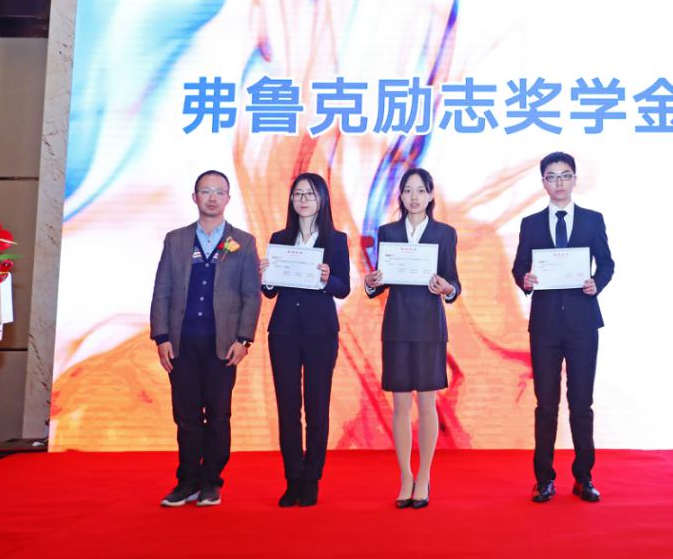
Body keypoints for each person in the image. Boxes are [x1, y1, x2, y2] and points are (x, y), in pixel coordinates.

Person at [150, 170, 261, 507]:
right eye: (206, 191)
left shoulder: (243, 242)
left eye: (219, 192)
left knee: (218, 415)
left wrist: (244, 339)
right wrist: (161, 336)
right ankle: (187, 481)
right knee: (185, 416)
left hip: (222, 346)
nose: (212, 197)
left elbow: (251, 295)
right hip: (182, 343)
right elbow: (162, 290)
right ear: (194, 197)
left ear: (228, 199)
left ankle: (211, 481)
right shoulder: (176, 240)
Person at [511, 152, 615, 503]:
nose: (559, 182)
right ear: (543, 182)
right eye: (552, 176)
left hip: (583, 323)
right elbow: (519, 268)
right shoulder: (531, 224)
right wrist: (525, 280)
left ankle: (584, 477)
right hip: (544, 326)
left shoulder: (592, 220)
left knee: (582, 403)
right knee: (546, 404)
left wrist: (597, 282)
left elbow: (607, 263)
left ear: (574, 179)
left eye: (565, 175)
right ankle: (544, 479)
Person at [365, 168, 460, 510]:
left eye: (421, 190)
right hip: (397, 325)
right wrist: (372, 282)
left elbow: (454, 281)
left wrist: (447, 288)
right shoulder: (388, 232)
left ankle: (424, 476)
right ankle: (405, 475)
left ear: (431, 195)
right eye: (408, 190)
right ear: (401, 196)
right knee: (401, 404)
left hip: (430, 327)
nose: (414, 197)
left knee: (427, 402)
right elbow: (381, 280)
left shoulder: (444, 233)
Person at [260, 173, 350, 507]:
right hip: (283, 332)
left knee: (317, 406)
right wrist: (266, 276)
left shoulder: (336, 240)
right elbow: (270, 291)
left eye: (310, 194)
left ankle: (311, 478)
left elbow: (343, 287)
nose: (303, 199)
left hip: (320, 332)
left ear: (322, 199)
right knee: (287, 407)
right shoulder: (280, 238)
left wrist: (328, 279)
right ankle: (292, 478)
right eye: (298, 193)